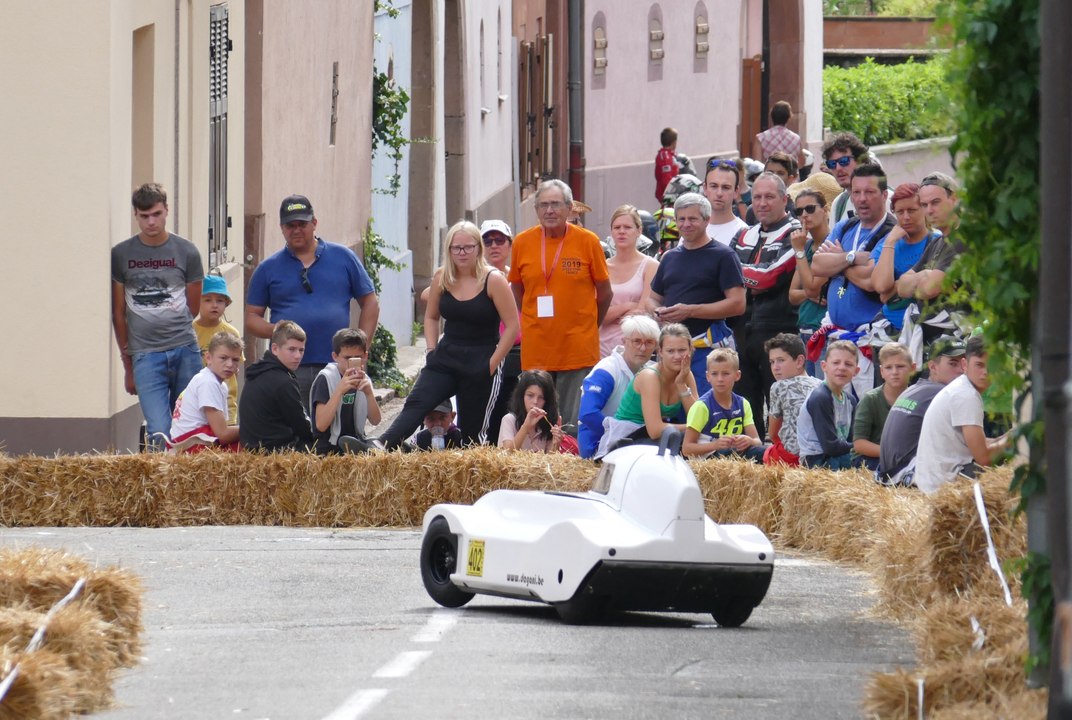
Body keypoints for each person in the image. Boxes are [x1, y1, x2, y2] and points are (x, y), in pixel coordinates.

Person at [381, 221, 519, 449]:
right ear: (449, 250)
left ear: (478, 248)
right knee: (416, 403)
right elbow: (431, 316)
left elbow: (512, 326)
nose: (462, 252)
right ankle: (380, 445)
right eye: (457, 248)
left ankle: (473, 470)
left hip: (482, 357)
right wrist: (431, 350)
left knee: (473, 433)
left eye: (468, 247)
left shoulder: (494, 280)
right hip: (446, 355)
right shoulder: (442, 277)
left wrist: (492, 363)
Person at [246, 195, 380, 412]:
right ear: (282, 228)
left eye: (302, 224)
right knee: (291, 428)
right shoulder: (267, 268)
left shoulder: (343, 258)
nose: (296, 230)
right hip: (288, 369)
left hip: (337, 366)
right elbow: (252, 318)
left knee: (340, 424)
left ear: (314, 223)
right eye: (290, 225)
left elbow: (370, 302)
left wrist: (360, 349)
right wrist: (278, 330)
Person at [509, 179, 613, 430]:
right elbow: (517, 288)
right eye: (543, 205)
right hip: (537, 348)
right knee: (535, 422)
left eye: (555, 204)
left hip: (577, 348)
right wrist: (533, 318)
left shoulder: (588, 241)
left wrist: (589, 326)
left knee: (570, 426)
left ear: (569, 208)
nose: (549, 211)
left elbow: (605, 292)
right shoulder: (522, 242)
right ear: (536, 210)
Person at [111, 183, 205, 449]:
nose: (151, 222)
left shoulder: (187, 251)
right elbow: (118, 313)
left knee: (189, 425)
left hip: (184, 348)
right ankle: (161, 476)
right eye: (144, 216)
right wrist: (128, 365)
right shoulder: (121, 254)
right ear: (135, 215)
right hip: (145, 354)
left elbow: (193, 306)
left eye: (156, 214)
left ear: (166, 210)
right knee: (159, 431)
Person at [810, 164, 897, 397]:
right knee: (835, 406)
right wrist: (851, 257)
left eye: (869, 192)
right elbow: (817, 265)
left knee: (864, 409)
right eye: (856, 192)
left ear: (884, 195)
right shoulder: (845, 226)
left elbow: (871, 280)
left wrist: (838, 261)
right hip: (837, 338)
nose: (862, 199)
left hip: (868, 340)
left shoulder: (890, 233)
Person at [650, 193, 746, 398]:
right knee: (671, 406)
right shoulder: (669, 257)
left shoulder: (724, 255)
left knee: (704, 406)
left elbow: (738, 304)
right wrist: (658, 313)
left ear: (707, 220)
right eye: (681, 219)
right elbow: (652, 298)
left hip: (708, 349)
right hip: (672, 349)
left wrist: (690, 311)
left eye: (692, 219)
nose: (686, 224)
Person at [732, 172, 802, 439]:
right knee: (746, 408)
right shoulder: (743, 234)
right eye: (757, 197)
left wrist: (738, 275)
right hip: (741, 331)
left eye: (769, 197)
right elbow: (723, 275)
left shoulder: (795, 232)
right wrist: (746, 276)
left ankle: (781, 456)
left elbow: (768, 277)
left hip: (779, 330)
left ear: (784, 199)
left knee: (780, 407)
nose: (762, 203)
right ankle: (752, 455)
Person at [914, 336, 1009, 494]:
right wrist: (1013, 439)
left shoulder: (961, 388)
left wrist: (1005, 437)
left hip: (932, 482)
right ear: (965, 365)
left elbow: (978, 443)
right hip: (945, 488)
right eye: (979, 365)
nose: (985, 372)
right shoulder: (967, 396)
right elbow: (984, 458)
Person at [595, 324, 698, 459]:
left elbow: (698, 417)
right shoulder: (650, 376)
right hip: (627, 438)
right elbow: (655, 430)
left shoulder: (686, 375)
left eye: (682, 350)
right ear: (660, 351)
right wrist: (692, 427)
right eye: (670, 351)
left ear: (690, 350)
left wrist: (681, 385)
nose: (677, 356)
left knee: (699, 442)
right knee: (682, 440)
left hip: (654, 436)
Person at [876, 335, 967, 486]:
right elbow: (974, 447)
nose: (961, 370)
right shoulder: (943, 394)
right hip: (906, 475)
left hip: (887, 476)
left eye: (964, 363)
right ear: (933, 367)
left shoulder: (914, 389)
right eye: (953, 363)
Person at [894, 172, 968, 346]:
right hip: (932, 343)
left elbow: (929, 289)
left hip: (957, 344)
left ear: (954, 199)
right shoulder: (937, 242)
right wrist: (926, 274)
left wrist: (923, 280)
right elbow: (901, 287)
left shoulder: (963, 238)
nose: (929, 210)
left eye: (935, 202)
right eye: (924, 205)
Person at [578, 315, 660, 458]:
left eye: (649, 342)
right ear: (624, 341)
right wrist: (623, 435)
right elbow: (588, 414)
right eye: (636, 341)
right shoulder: (607, 370)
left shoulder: (653, 370)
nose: (642, 348)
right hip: (597, 444)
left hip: (636, 443)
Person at [871, 183, 941, 333]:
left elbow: (934, 284)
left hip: (926, 329)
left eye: (912, 210)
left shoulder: (938, 241)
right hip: (891, 329)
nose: (906, 217)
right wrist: (890, 242)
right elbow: (881, 287)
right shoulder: (888, 244)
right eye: (900, 212)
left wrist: (896, 286)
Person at [239, 320, 314, 452]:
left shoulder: (258, 372)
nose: (298, 356)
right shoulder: (284, 382)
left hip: (251, 451)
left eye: (301, 350)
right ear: (275, 349)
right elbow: (303, 426)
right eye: (291, 349)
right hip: (276, 452)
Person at [479, 219, 521, 445]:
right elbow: (429, 294)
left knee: (512, 407)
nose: (494, 246)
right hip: (485, 350)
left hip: (516, 352)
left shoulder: (517, 278)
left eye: (499, 240)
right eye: (487, 241)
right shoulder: (473, 278)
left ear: (509, 245)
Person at [683, 348, 765, 462]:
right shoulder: (701, 406)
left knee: (767, 452)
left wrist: (749, 441)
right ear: (708, 376)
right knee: (731, 453)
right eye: (714, 374)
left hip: (735, 455)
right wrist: (715, 445)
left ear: (737, 375)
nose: (720, 379)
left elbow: (758, 441)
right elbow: (686, 449)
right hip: (710, 460)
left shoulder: (743, 403)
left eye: (725, 374)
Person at [310, 328, 381, 455]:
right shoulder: (326, 378)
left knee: (380, 447)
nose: (351, 362)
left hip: (355, 444)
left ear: (365, 356)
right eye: (347, 358)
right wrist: (339, 391)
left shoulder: (364, 379)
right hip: (328, 448)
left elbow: (375, 421)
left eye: (357, 357)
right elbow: (321, 425)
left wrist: (369, 394)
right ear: (335, 357)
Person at [600, 205, 659, 357]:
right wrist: (628, 306)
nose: (621, 231)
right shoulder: (601, 266)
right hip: (602, 349)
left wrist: (613, 312)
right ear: (611, 231)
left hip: (637, 350)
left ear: (639, 230)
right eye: (617, 227)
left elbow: (643, 313)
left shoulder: (651, 266)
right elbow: (598, 316)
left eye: (627, 227)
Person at [168, 331, 242, 452]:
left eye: (235, 360)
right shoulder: (208, 382)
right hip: (190, 445)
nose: (230, 364)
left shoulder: (214, 382)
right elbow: (223, 434)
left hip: (192, 440)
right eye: (223, 358)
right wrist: (254, 428)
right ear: (208, 358)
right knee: (252, 443)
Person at [787, 187, 833, 379]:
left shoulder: (832, 243)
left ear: (826, 209)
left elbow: (813, 287)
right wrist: (809, 293)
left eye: (810, 208)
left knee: (824, 392)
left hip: (824, 332)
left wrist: (798, 251)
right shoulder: (806, 246)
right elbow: (792, 295)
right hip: (804, 331)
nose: (804, 215)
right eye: (799, 211)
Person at [796, 340, 860, 469]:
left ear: (856, 371)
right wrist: (862, 446)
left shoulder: (850, 400)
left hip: (839, 455)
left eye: (848, 364)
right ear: (824, 366)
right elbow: (830, 446)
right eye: (836, 363)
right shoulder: (821, 397)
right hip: (817, 461)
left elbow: (851, 437)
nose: (842, 368)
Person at [852, 343, 914, 471]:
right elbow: (859, 444)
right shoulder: (870, 399)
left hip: (904, 458)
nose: (894, 372)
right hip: (868, 459)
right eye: (888, 367)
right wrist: (894, 454)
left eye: (900, 366)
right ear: (881, 372)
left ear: (912, 369)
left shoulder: (917, 398)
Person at [763, 333, 822, 466]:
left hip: (792, 458)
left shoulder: (779, 386)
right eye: (772, 362)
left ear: (800, 361)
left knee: (764, 453)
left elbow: (772, 434)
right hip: (819, 457)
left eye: (781, 360)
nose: (775, 367)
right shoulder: (820, 385)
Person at [193, 274, 242, 424]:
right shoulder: (190, 332)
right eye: (208, 300)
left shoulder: (232, 333)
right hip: (198, 402)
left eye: (220, 300)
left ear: (226, 303)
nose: (214, 305)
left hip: (225, 402)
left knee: (226, 435)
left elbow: (236, 369)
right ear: (197, 301)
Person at [499, 370, 565, 453]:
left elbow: (549, 459)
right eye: (530, 395)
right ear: (522, 396)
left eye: (541, 397)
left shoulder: (548, 422)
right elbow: (507, 453)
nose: (535, 401)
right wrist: (526, 427)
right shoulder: (509, 419)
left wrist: (556, 443)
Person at [821, 132, 871, 224]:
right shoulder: (839, 204)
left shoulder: (884, 199)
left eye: (844, 161)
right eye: (832, 164)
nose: (838, 168)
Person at [703, 158, 749, 246]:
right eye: (714, 186)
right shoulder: (693, 229)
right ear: (705, 188)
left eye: (726, 187)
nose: (719, 193)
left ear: (736, 191)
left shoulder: (744, 234)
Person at [752, 100, 806, 169]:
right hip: (789, 174)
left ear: (771, 116)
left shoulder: (760, 138)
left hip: (769, 174)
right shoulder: (796, 138)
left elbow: (757, 164)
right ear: (789, 118)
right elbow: (802, 162)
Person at [654, 127, 697, 202]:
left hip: (672, 194)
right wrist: (679, 188)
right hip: (669, 195)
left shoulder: (670, 155)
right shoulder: (665, 157)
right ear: (674, 142)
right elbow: (666, 180)